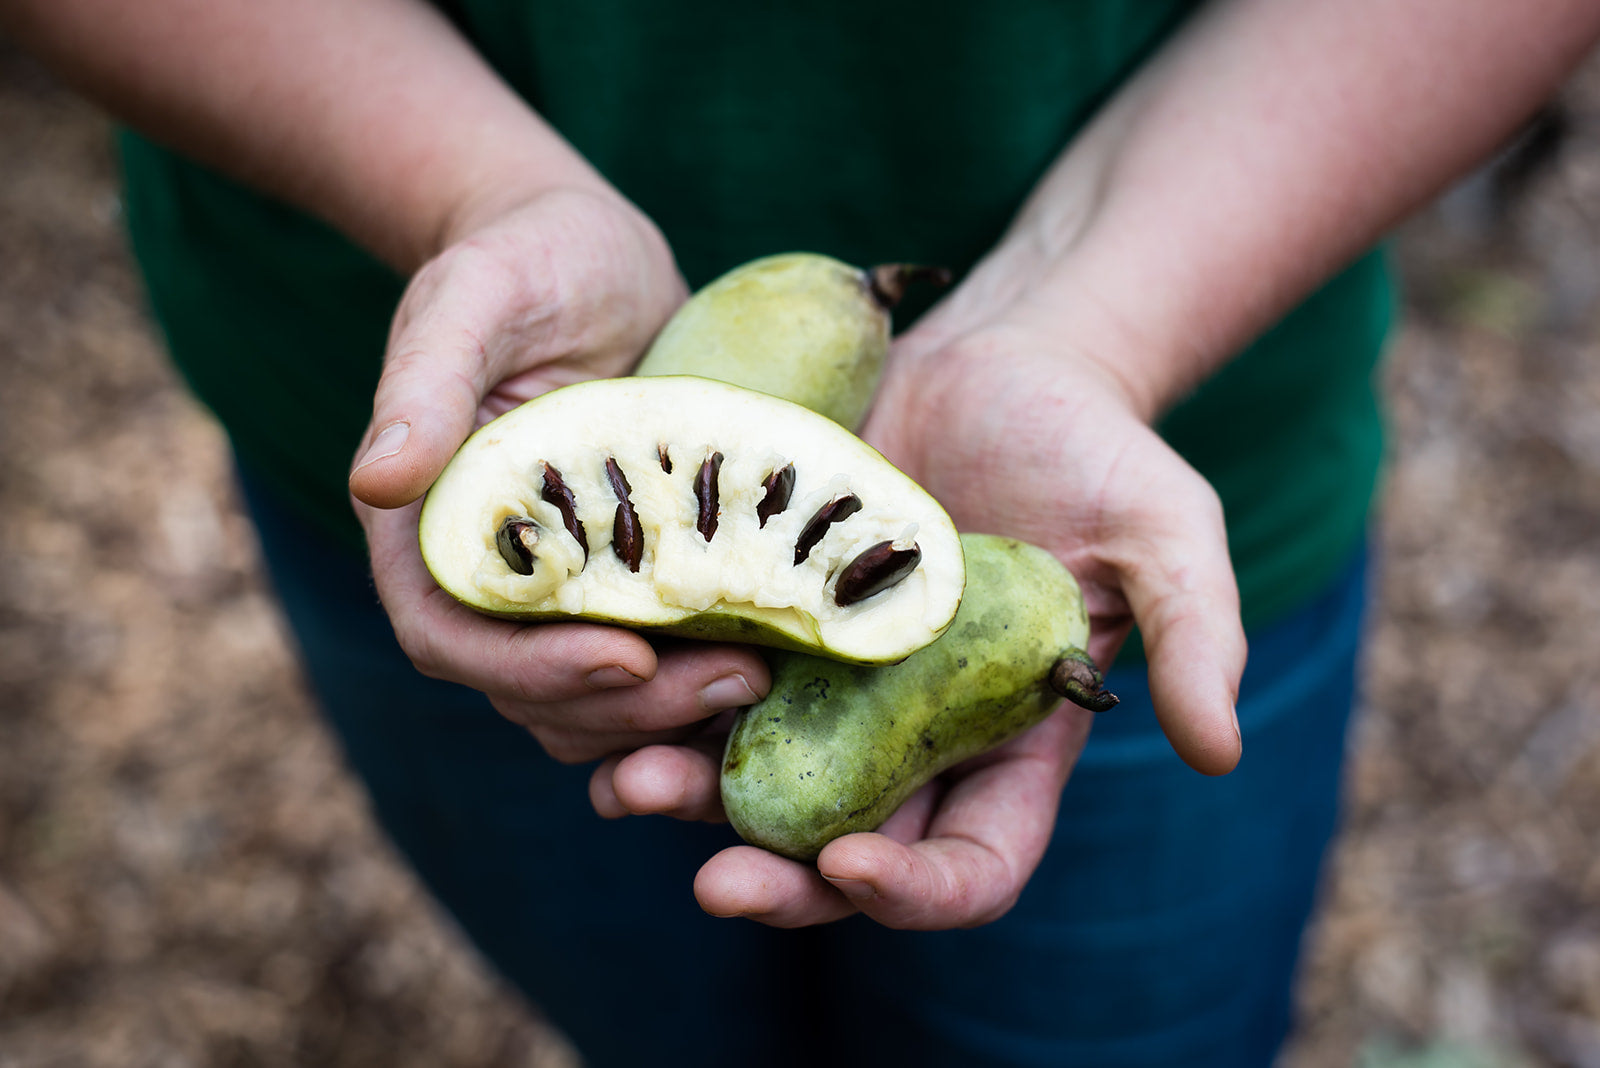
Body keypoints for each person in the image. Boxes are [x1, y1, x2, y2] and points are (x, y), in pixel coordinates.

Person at [6, 0, 1598, 1063]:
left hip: (1167, 415)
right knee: (647, 1019)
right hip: (401, 399)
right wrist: (467, 194)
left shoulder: (1020, 593)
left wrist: (1098, 329)